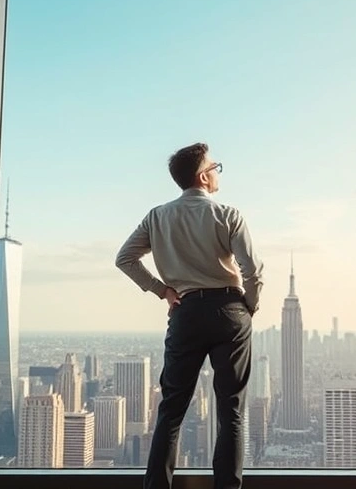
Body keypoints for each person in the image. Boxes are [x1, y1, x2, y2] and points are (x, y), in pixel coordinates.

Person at [115, 142, 264, 489]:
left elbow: (125, 259)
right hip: (230, 310)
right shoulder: (228, 215)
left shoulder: (157, 217)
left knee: (171, 410)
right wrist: (249, 306)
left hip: (186, 312)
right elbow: (253, 270)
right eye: (215, 167)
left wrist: (162, 290)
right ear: (203, 176)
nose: (217, 173)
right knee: (231, 412)